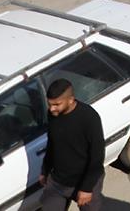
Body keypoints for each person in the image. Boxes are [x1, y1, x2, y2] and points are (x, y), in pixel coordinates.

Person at [39, 78, 104, 209]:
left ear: (71, 100)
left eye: (57, 104)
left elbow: (97, 156)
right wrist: (45, 170)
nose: (52, 109)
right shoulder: (53, 114)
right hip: (58, 182)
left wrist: (87, 188)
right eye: (49, 104)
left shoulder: (89, 117)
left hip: (84, 181)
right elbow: (52, 144)